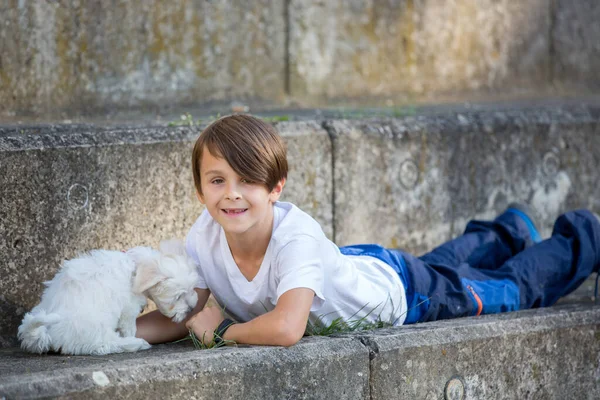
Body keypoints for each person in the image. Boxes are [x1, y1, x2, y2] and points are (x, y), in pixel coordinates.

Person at [136, 114, 600, 347]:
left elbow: (286, 327)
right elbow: (186, 312)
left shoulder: (294, 238)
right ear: (199, 190)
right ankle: (506, 234)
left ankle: (585, 236)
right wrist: (114, 335)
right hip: (353, 265)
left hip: (403, 296)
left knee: (505, 292)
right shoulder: (204, 235)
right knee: (439, 265)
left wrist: (221, 335)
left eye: (247, 181)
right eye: (217, 181)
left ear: (276, 187)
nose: (231, 194)